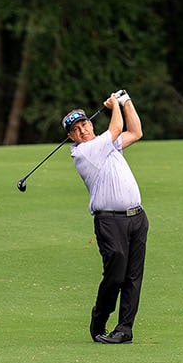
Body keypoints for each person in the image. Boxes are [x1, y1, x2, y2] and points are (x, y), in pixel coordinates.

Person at [65, 89, 147, 345]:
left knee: (133, 277)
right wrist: (115, 106)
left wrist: (126, 101)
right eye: (76, 129)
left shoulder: (106, 143)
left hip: (136, 217)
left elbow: (135, 132)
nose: (82, 130)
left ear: (91, 123)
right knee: (115, 275)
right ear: (71, 137)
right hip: (109, 222)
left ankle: (125, 329)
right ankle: (99, 321)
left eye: (84, 124)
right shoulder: (84, 153)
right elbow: (117, 127)